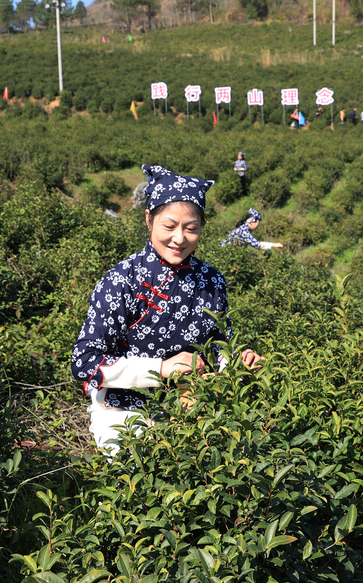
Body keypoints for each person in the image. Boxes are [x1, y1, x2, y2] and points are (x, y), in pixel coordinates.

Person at [71, 165, 265, 455]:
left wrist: (236, 361)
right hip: (124, 414)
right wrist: (160, 369)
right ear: (149, 220)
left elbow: (219, 344)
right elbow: (84, 362)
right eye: (169, 226)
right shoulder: (122, 280)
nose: (179, 238)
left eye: (191, 229)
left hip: (195, 404)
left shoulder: (211, 280)